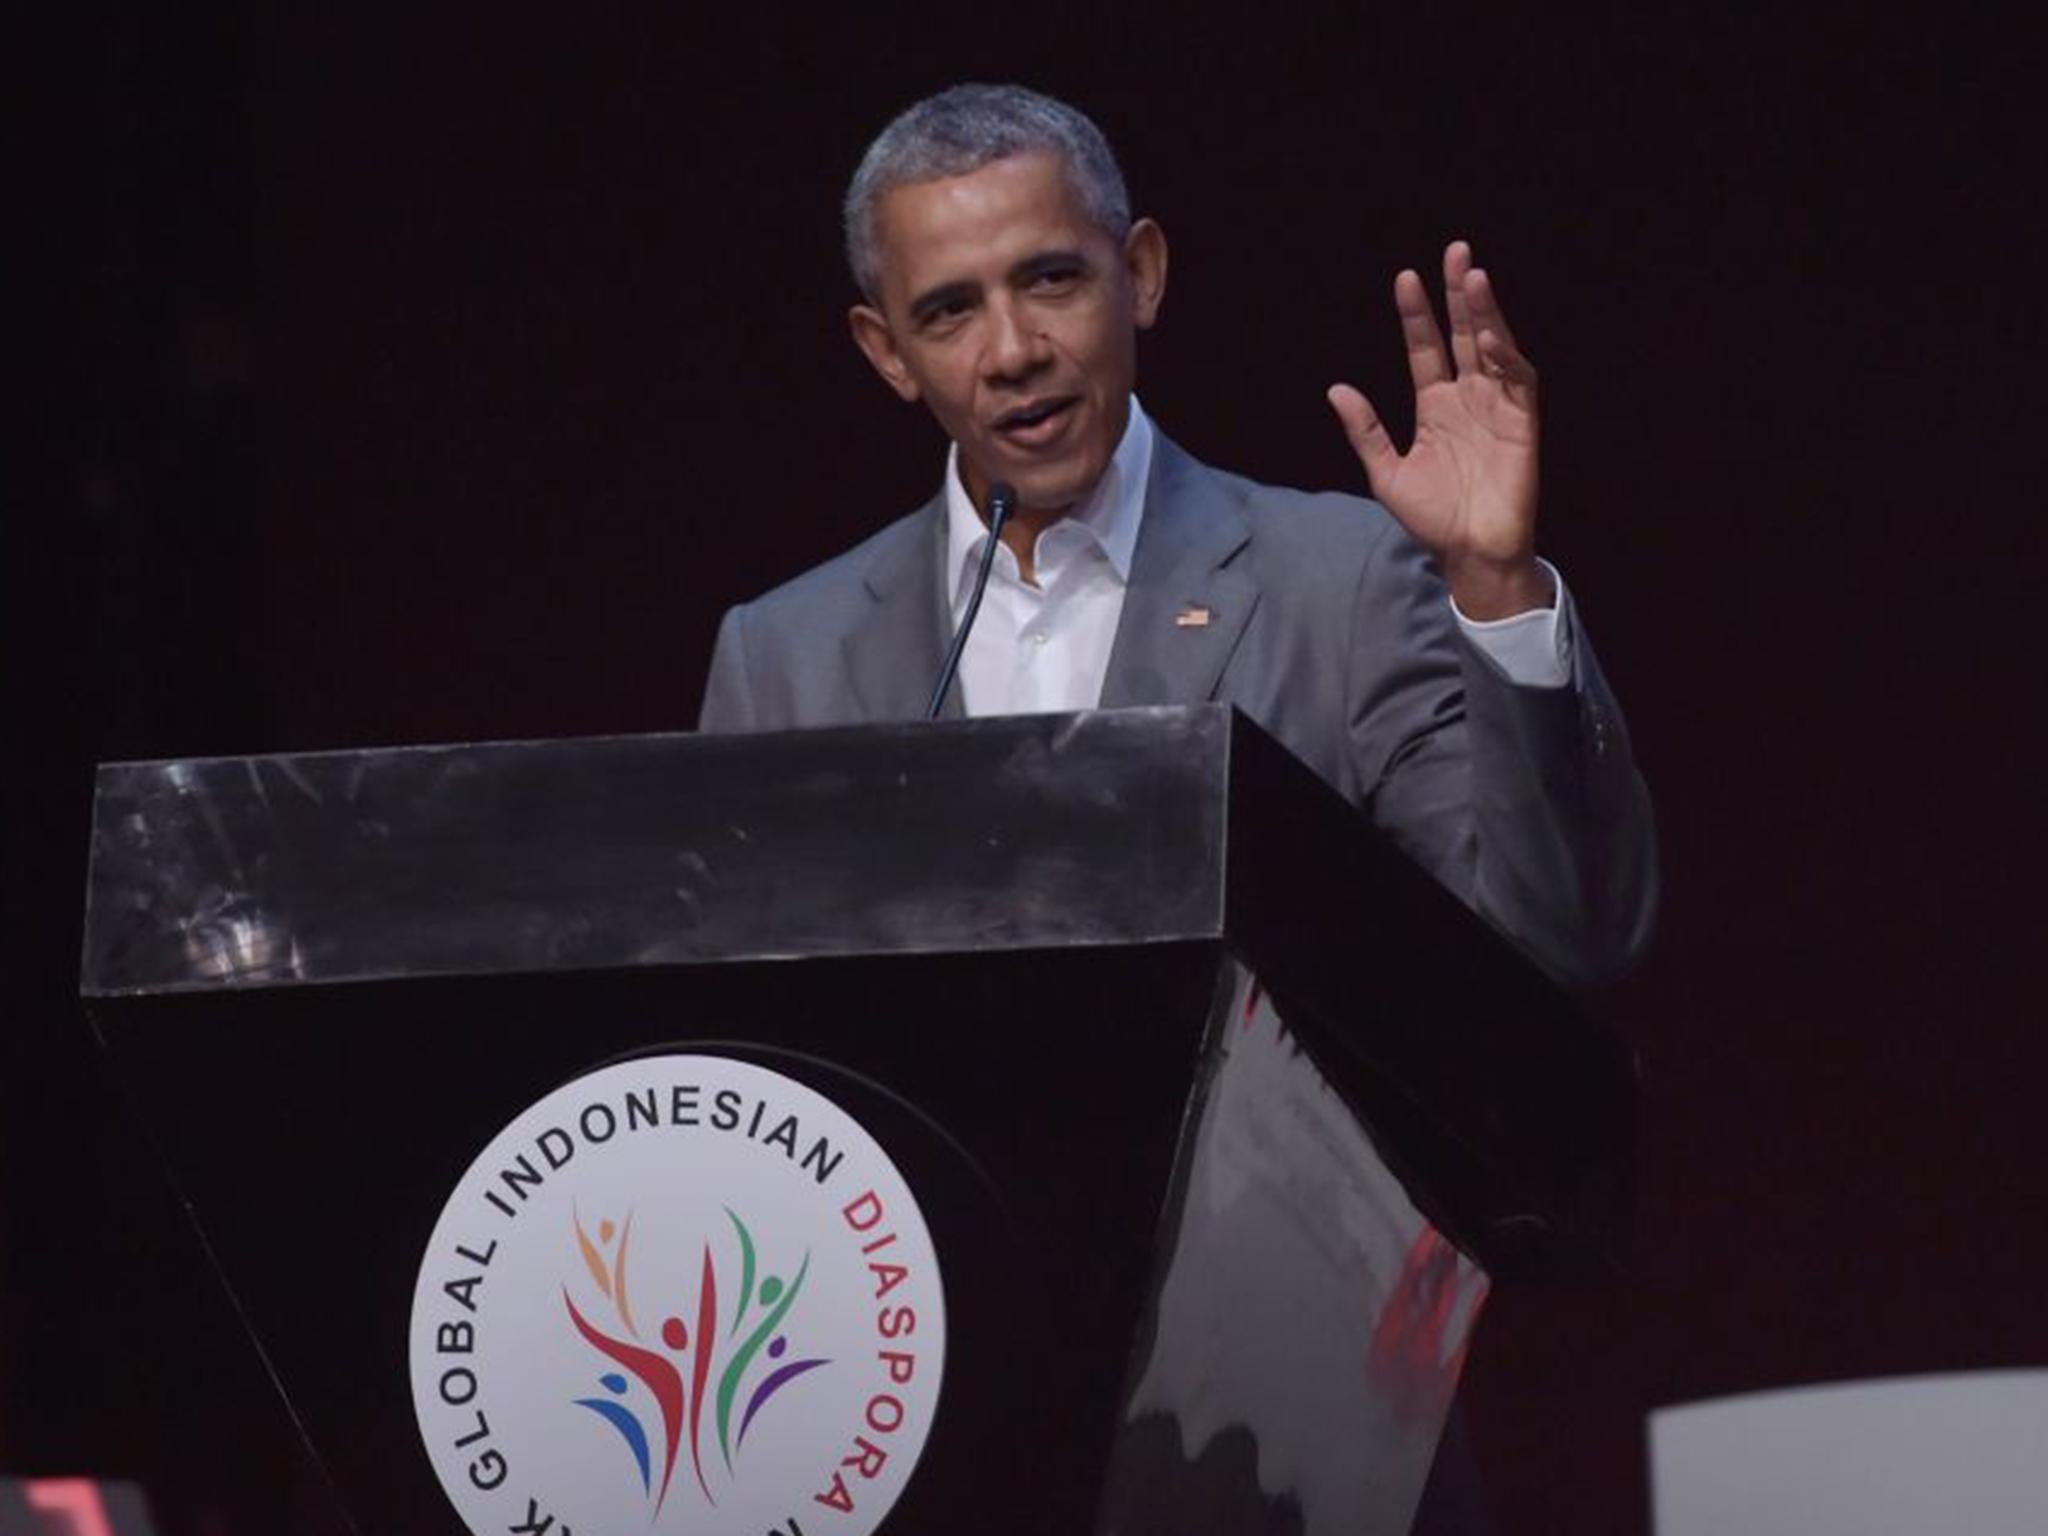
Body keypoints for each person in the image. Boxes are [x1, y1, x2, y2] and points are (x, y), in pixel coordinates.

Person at [698, 82, 1655, 985]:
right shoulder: (783, 657)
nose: (1014, 352)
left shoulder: (1339, 586)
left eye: (1052, 279)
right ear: (887, 352)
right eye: (950, 311)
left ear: (1141, 275)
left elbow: (1555, 936)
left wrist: (1496, 586)